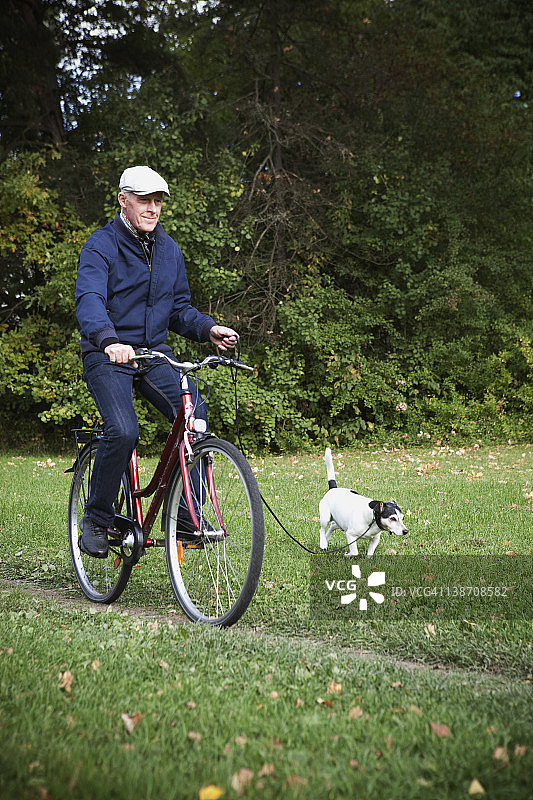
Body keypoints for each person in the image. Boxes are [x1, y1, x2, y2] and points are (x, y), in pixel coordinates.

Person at [75, 165, 239, 558]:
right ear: (123, 200)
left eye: (158, 201)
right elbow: (90, 301)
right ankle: (96, 518)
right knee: (123, 430)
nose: (153, 208)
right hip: (108, 355)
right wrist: (109, 340)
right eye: (144, 200)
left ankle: (185, 515)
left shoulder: (169, 250)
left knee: (195, 417)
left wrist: (208, 329)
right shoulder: (101, 245)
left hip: (153, 356)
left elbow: (179, 308)